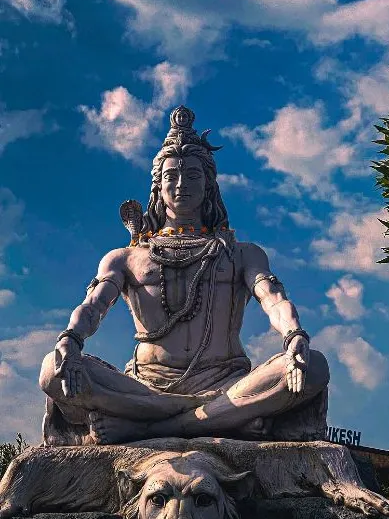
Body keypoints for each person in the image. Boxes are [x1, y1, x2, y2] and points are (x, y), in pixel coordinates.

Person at [39, 106, 329, 445]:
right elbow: (93, 306)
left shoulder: (240, 252)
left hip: (225, 382)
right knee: (51, 370)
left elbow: (273, 299)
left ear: (208, 185)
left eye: (193, 176)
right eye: (171, 176)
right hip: (147, 386)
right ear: (157, 187)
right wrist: (70, 341)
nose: (181, 185)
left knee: (315, 366)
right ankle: (215, 417)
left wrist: (294, 337)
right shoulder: (126, 257)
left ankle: (153, 427)